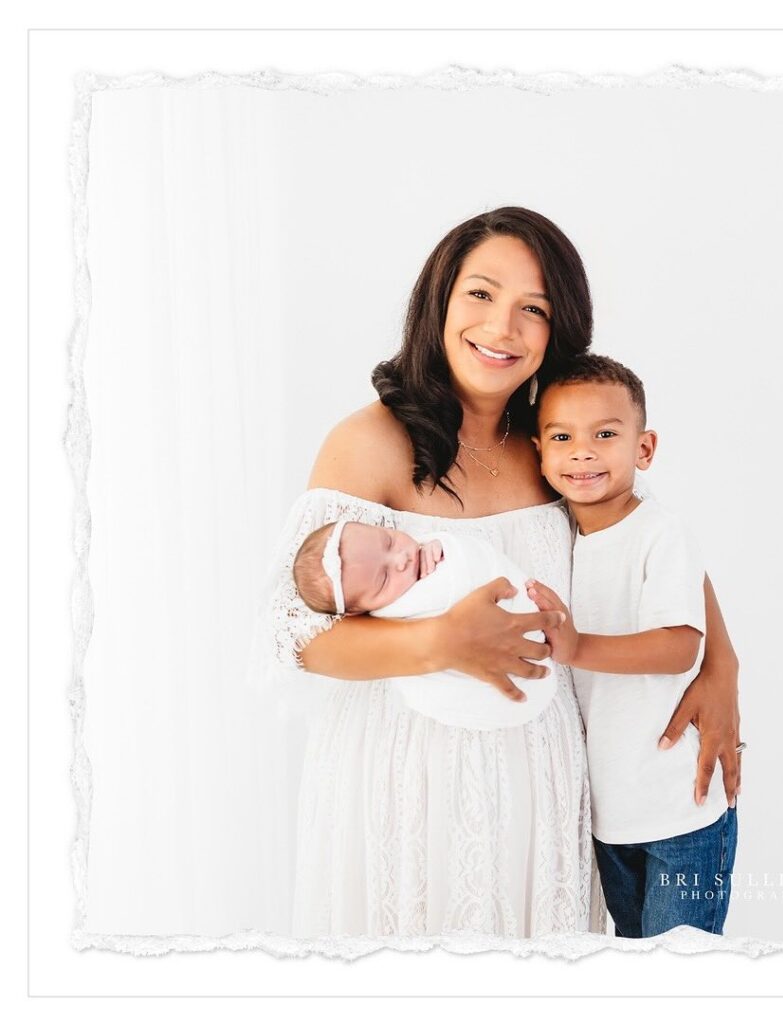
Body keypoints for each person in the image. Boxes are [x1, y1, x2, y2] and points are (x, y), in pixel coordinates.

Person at [267, 207, 741, 939]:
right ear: (441, 300)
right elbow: (296, 632)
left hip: (540, 795)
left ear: (560, 330)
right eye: (481, 295)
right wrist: (442, 642)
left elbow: (648, 539)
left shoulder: (558, 447)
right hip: (402, 793)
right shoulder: (372, 441)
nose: (502, 327)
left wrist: (723, 666)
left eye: (534, 309)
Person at [526, 353, 739, 937]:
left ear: (643, 450)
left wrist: (575, 646)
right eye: (562, 437)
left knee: (679, 978)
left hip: (680, 807)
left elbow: (679, 648)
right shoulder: (557, 535)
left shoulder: (660, 533)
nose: (583, 451)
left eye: (605, 435)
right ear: (540, 454)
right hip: (611, 816)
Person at [291, 518, 557, 728]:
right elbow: (298, 637)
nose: (402, 559)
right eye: (383, 578)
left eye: (389, 541)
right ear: (357, 612)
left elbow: (470, 556)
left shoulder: (418, 552)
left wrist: (443, 547)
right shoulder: (395, 612)